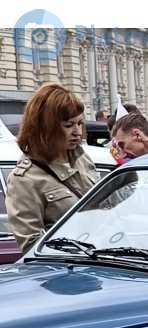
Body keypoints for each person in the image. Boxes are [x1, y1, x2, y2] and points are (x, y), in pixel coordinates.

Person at [6, 82, 99, 253]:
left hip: (105, 259)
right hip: (67, 270)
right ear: (46, 128)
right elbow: (31, 245)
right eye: (68, 125)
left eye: (80, 123)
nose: (78, 132)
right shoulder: (25, 178)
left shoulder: (81, 157)